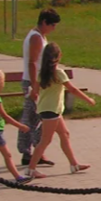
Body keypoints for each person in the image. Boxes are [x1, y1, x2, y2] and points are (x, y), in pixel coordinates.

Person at [26, 43, 96, 179]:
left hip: (50, 110)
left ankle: (74, 164)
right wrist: (88, 100)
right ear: (58, 57)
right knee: (45, 140)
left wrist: (33, 94)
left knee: (64, 134)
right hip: (51, 111)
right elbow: (73, 89)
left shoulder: (42, 73)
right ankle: (31, 169)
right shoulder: (58, 73)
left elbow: (34, 91)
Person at [18, 9, 61, 167]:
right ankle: (27, 152)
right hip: (32, 82)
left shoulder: (41, 36)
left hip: (38, 81)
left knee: (38, 118)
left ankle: (37, 150)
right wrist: (35, 87)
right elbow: (32, 62)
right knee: (32, 118)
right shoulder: (35, 38)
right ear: (44, 22)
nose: (54, 28)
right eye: (52, 25)